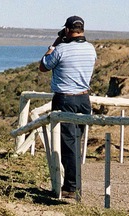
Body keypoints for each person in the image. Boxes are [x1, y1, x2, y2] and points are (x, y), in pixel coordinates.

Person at [39, 15, 97, 199]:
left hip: (65, 99)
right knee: (76, 143)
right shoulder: (90, 49)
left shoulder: (61, 49)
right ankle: (74, 184)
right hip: (83, 99)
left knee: (68, 145)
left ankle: (71, 187)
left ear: (67, 30)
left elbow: (43, 66)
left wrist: (52, 47)